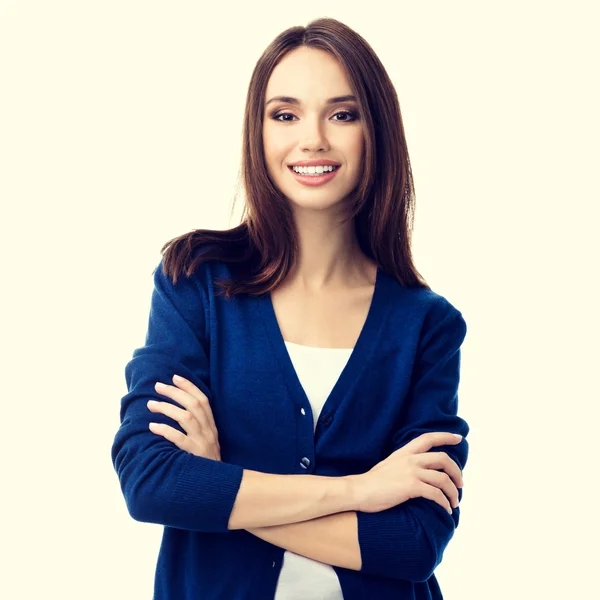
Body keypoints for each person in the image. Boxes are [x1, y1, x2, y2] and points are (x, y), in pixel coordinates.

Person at [111, 17, 469, 600]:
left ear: (375, 131)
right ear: (259, 132)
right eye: (285, 114)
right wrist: (361, 491)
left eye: (342, 114)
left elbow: (414, 541)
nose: (313, 139)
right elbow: (152, 482)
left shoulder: (426, 324)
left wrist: (223, 481)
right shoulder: (196, 282)